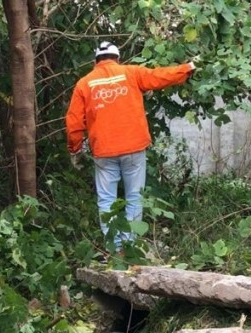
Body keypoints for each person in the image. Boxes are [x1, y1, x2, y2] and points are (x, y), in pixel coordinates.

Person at [65, 41, 196, 252]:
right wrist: (187, 69)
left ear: (95, 61)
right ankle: (130, 247)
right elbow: (159, 76)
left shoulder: (84, 83)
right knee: (134, 197)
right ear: (117, 58)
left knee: (106, 200)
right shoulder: (131, 73)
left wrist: (75, 149)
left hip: (104, 151)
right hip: (134, 147)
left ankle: (114, 249)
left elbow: (74, 122)